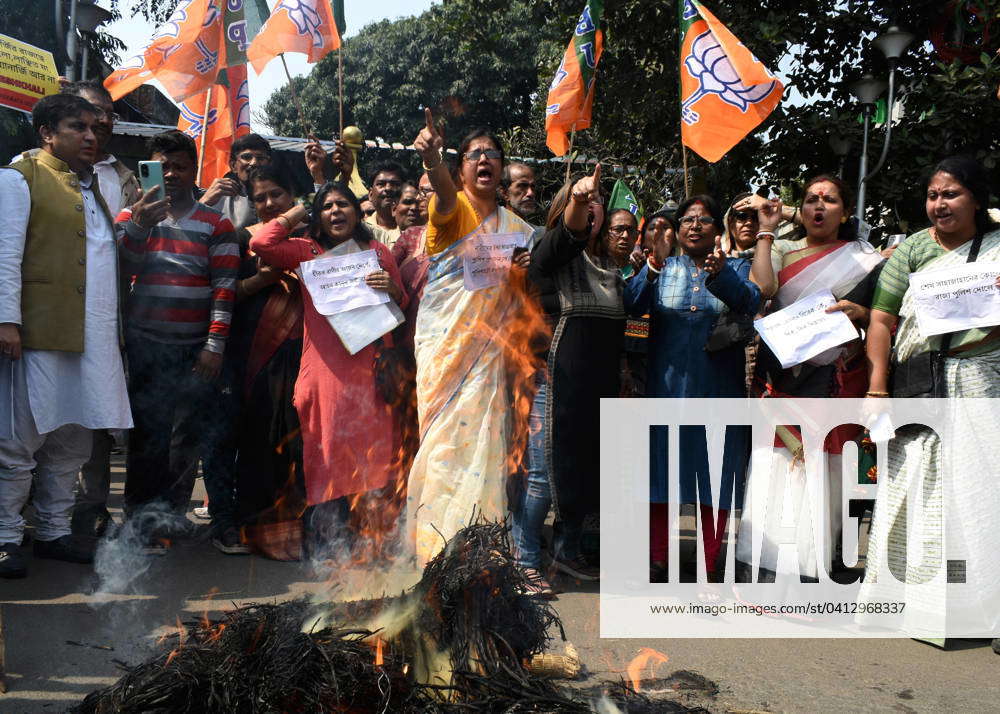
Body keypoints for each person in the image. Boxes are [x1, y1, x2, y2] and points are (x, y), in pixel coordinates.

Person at [859, 156, 1000, 644]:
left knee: (983, 493)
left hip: (985, 378)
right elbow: (881, 319)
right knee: (918, 492)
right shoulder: (914, 249)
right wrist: (877, 388)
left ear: (977, 198)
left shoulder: (998, 248)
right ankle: (913, 604)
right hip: (920, 384)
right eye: (934, 195)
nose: (940, 204)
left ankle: (989, 611)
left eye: (952, 194)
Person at [0, 94, 134, 577]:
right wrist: (6, 321)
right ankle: (6, 537)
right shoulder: (18, 180)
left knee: (74, 442)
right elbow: (5, 254)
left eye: (95, 129)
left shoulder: (96, 188)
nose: (91, 137)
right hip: (38, 333)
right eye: (78, 127)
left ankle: (54, 532)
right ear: (47, 134)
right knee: (19, 441)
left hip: (94, 340)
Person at [736, 175, 883, 581]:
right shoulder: (781, 248)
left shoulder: (863, 258)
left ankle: (815, 561)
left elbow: (883, 316)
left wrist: (863, 314)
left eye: (830, 200)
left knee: (824, 467)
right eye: (811, 200)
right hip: (782, 374)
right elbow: (762, 288)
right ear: (800, 210)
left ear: (846, 211)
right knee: (778, 460)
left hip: (835, 377)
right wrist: (766, 230)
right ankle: (763, 562)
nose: (819, 207)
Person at [407, 113, 538, 565]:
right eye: (475, 154)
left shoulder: (520, 231)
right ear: (461, 167)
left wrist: (521, 273)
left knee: (486, 452)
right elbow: (442, 193)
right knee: (446, 452)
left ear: (501, 170)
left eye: (493, 155)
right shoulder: (453, 209)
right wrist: (430, 161)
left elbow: (524, 302)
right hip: (446, 355)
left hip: (490, 360)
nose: (485, 160)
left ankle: (478, 554)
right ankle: (435, 554)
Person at [249, 182, 406, 558]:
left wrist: (393, 289)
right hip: (325, 377)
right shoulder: (306, 252)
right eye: (327, 207)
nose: (336, 212)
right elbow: (262, 244)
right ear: (317, 217)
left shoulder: (378, 251)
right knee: (326, 458)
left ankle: (371, 543)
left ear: (357, 211)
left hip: (372, 373)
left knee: (373, 458)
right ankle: (328, 547)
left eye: (343, 204)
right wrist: (297, 209)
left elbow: (403, 303)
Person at [626, 195, 764, 581]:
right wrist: (652, 265)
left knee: (714, 474)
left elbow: (749, 302)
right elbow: (632, 304)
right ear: (677, 228)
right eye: (687, 219)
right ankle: (657, 557)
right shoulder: (662, 265)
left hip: (717, 390)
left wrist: (723, 274)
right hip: (666, 389)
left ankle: (708, 560)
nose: (695, 225)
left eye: (704, 219)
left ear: (718, 230)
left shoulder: (736, 265)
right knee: (661, 472)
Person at [118, 130, 240, 553]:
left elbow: (224, 289)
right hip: (145, 344)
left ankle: (168, 518)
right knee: (147, 436)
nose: (171, 174)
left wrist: (214, 346)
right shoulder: (129, 217)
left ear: (194, 171)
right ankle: (137, 522)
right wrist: (139, 224)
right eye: (162, 166)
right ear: (147, 170)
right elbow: (122, 265)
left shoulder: (216, 224)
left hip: (195, 349)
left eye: (180, 166)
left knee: (185, 438)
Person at [512, 166, 626, 595]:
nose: (592, 206)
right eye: (583, 200)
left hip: (595, 391)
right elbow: (566, 238)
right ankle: (523, 561)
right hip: (552, 385)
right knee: (543, 475)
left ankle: (566, 553)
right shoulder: (549, 248)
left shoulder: (610, 265)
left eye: (598, 200)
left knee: (583, 473)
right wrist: (578, 202)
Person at [229, 166, 306, 558]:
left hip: (305, 357)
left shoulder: (314, 240)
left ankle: (297, 533)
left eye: (277, 194)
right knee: (260, 444)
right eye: (259, 198)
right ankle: (256, 532)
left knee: (298, 447)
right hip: (259, 356)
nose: (269, 204)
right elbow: (229, 295)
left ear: (293, 195)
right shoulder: (244, 242)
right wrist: (262, 280)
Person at [201, 133, 272, 230]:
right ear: (233, 166)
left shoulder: (281, 195)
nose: (254, 162)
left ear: (269, 164)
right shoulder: (216, 198)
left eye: (260, 158)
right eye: (247, 157)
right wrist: (202, 204)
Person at [366, 161, 406, 246]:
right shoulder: (361, 230)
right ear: (370, 194)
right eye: (381, 184)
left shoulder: (416, 229)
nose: (388, 188)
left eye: (395, 184)